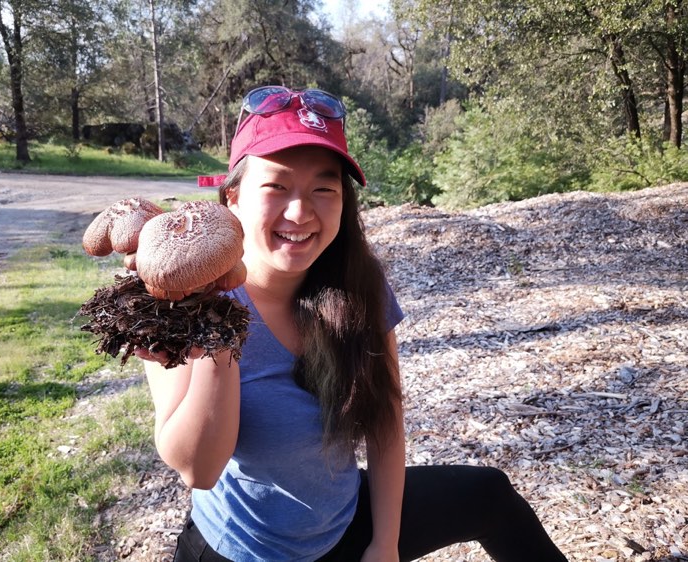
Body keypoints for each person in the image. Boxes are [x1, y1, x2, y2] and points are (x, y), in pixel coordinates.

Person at [139, 85, 568, 562]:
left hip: (344, 523)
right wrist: (217, 339)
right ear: (233, 197)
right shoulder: (179, 299)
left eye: (324, 188)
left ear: (344, 203)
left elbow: (385, 419)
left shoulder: (358, 289)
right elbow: (198, 469)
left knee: (489, 494)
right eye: (276, 186)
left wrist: (385, 542)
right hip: (241, 551)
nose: (300, 212)